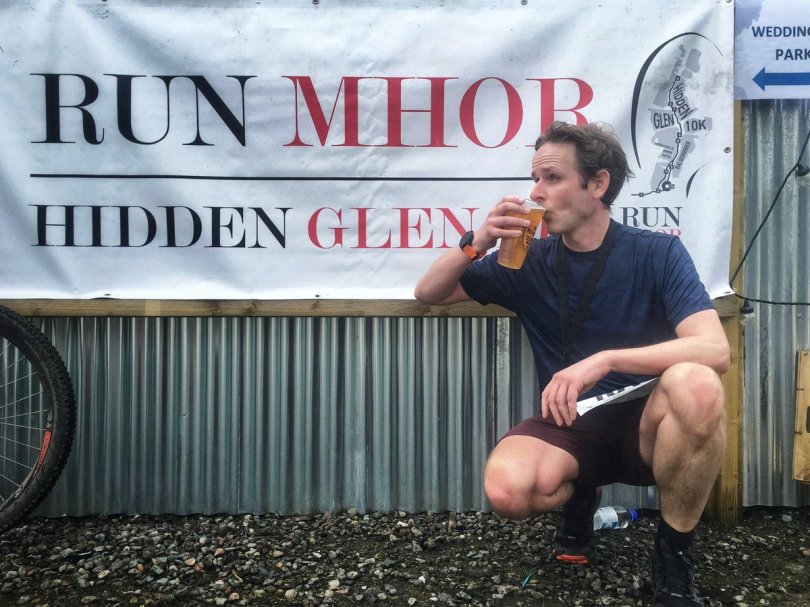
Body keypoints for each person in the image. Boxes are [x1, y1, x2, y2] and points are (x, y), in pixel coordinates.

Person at [413, 121, 730, 607]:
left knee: (698, 383)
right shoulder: (526, 259)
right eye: (535, 179)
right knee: (507, 491)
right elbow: (429, 293)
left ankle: (673, 556)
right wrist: (477, 240)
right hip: (570, 421)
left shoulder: (657, 252)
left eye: (552, 178)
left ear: (597, 184)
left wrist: (605, 360)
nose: (536, 192)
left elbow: (715, 350)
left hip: (648, 423)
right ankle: (582, 494)